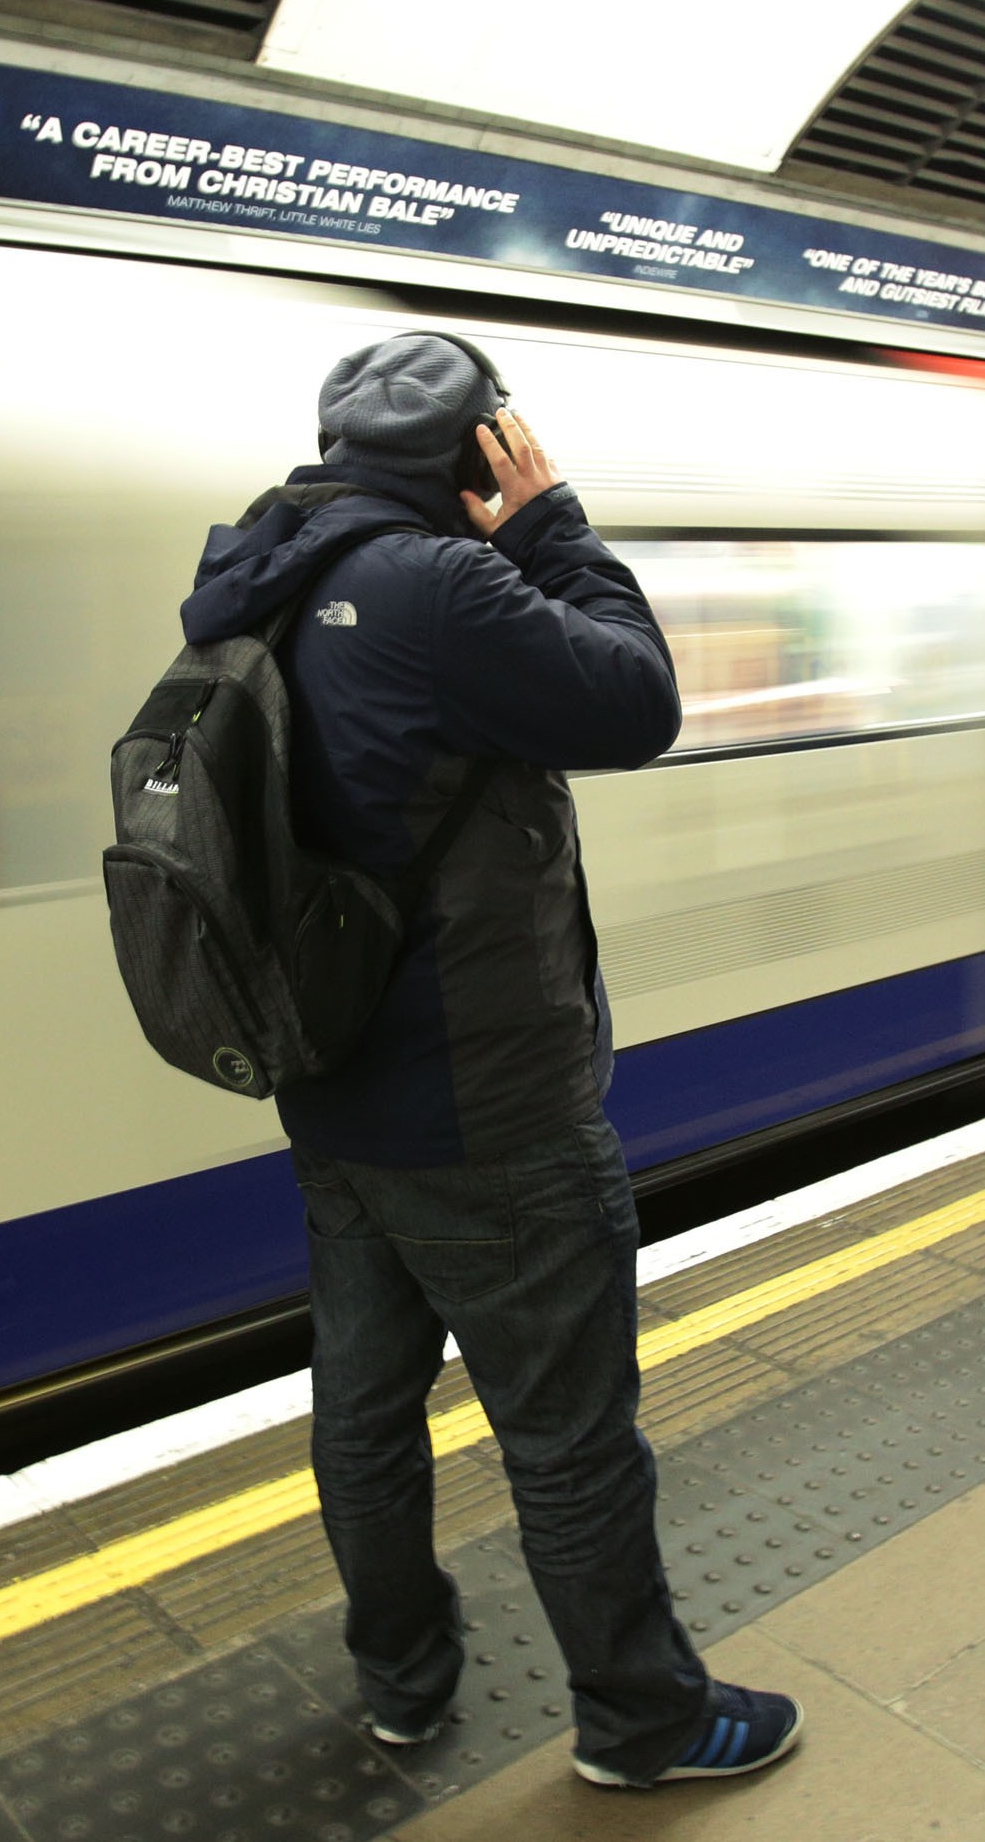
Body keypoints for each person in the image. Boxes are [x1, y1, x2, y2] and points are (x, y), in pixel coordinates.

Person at [176, 333, 800, 1789]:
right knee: (571, 1437)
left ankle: (403, 1682)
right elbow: (637, 702)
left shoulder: (265, 570)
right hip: (487, 1101)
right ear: (480, 457)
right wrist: (552, 525)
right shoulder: (440, 583)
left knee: (365, 1410)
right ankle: (644, 1720)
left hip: (334, 1081)